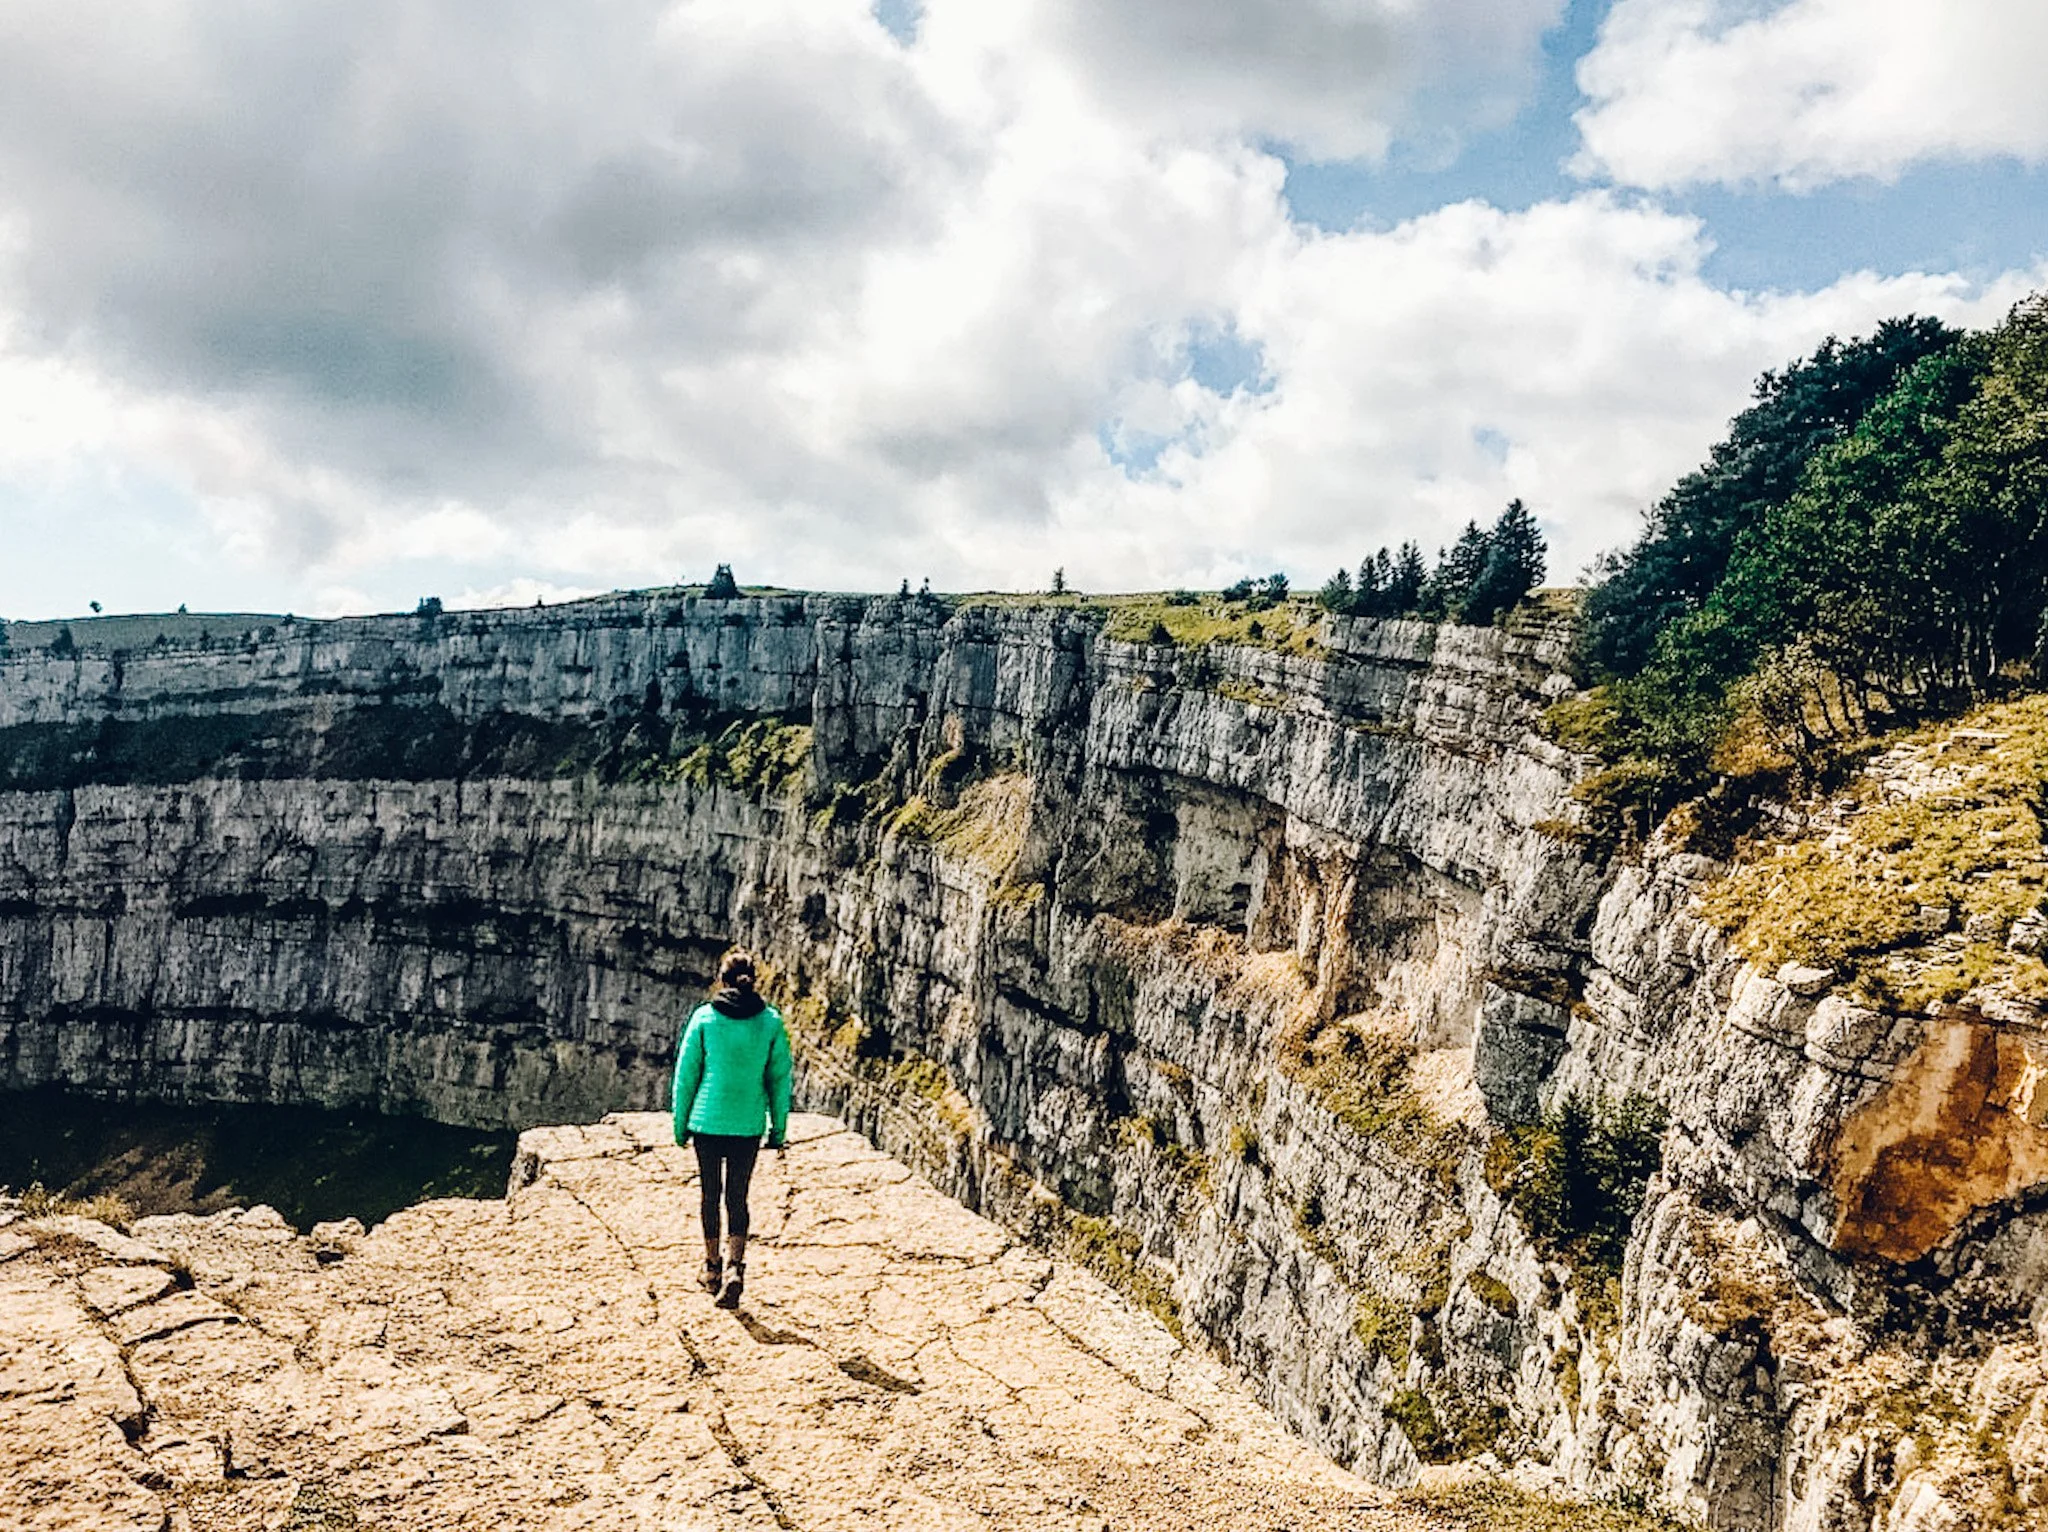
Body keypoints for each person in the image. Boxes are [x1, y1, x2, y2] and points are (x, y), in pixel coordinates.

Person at [672, 949, 793, 1309]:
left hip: (707, 1121)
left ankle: (712, 1269)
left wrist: (680, 1125)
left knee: (710, 1194)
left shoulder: (705, 1019)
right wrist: (779, 1129)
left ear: (721, 980)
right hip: (747, 1123)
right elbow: (779, 1079)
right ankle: (737, 1268)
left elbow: (686, 1076)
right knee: (737, 1197)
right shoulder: (770, 1022)